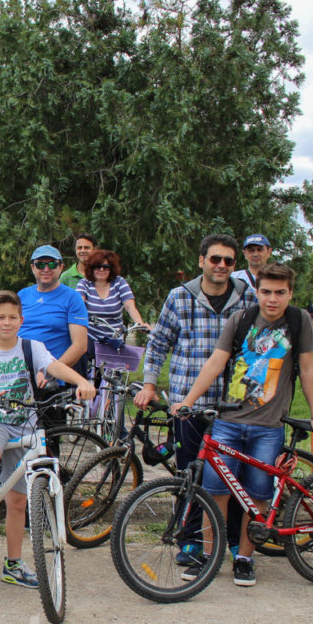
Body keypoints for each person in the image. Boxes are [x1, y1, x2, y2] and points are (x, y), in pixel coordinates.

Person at [170, 263, 313, 587]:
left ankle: (244, 558)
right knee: (215, 493)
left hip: (268, 426)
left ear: (290, 293)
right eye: (266, 291)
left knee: (256, 496)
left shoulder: (299, 322)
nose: (272, 299)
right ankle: (211, 558)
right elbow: (216, 361)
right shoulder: (240, 319)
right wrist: (189, 400)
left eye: (280, 293)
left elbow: (308, 369)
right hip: (229, 421)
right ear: (258, 291)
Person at [0, 290, 95, 587]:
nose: (6, 323)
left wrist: (82, 381)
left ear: (21, 320)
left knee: (18, 502)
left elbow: (55, 367)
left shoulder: (32, 347)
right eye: (0, 317)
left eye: (12, 317)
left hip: (25, 426)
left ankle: (13, 564)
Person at [134, 234, 256, 564]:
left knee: (231, 476)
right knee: (189, 474)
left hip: (233, 405)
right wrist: (148, 384)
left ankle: (231, 539)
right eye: (214, 259)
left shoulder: (247, 298)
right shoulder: (180, 297)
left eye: (228, 261)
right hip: (188, 404)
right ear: (201, 261)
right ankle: (190, 540)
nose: (221, 266)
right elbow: (158, 344)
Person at [18, 244, 89, 378]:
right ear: (32, 267)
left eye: (52, 265)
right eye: (40, 265)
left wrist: (51, 372)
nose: (46, 269)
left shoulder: (72, 298)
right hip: (19, 372)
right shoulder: (22, 295)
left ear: (61, 267)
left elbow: (80, 345)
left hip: (52, 377)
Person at [74, 249, 149, 360]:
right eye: (98, 266)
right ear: (91, 268)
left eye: (106, 267)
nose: (102, 269)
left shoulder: (119, 283)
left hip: (114, 337)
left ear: (111, 269)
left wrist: (140, 323)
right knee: (82, 362)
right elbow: (78, 304)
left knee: (115, 373)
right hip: (90, 337)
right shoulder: (85, 284)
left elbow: (129, 306)